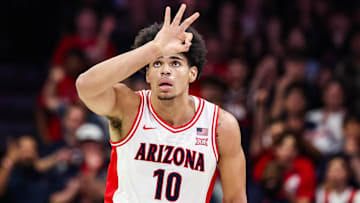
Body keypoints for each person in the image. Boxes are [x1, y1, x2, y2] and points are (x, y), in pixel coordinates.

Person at [76, 4, 247, 203]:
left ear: (192, 74)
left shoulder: (220, 126)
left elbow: (236, 198)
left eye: (175, 63)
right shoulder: (129, 107)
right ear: (147, 73)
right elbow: (85, 86)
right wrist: (154, 48)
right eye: (157, 63)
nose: (165, 70)